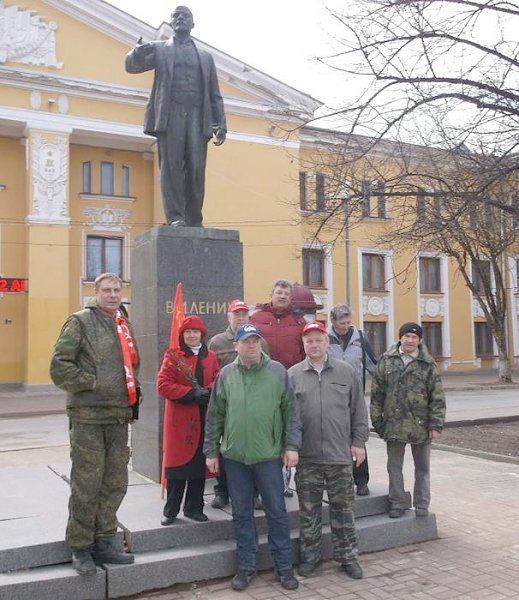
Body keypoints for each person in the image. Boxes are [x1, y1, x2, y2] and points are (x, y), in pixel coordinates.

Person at [49, 273, 139, 575]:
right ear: (96, 292)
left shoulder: (122, 324)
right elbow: (59, 366)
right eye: (107, 290)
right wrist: (92, 382)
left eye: (117, 290)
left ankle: (104, 541)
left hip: (117, 417)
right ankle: (80, 547)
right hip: (88, 416)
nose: (113, 295)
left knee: (114, 484)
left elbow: (131, 365)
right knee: (86, 484)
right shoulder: (80, 322)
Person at [204, 324, 301, 592]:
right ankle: (246, 566)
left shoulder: (277, 372)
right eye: (246, 341)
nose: (251, 346)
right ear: (236, 345)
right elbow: (215, 416)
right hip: (235, 458)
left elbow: (291, 412)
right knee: (242, 514)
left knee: (277, 513)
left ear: (261, 344)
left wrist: (292, 445)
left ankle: (283, 567)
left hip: (269, 456)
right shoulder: (226, 375)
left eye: (255, 341)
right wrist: (211, 450)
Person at [125, 5, 226, 227]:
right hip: (171, 114)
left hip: (198, 116)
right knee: (171, 166)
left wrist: (221, 123)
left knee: (196, 168)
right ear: (171, 23)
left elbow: (215, 94)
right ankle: (176, 217)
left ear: (193, 23)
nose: (180, 18)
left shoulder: (206, 57)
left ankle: (194, 218)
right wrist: (136, 52)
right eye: (176, 16)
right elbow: (133, 66)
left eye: (185, 15)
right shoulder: (161, 49)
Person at [288, 321, 369, 580]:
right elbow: (287, 417)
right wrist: (289, 447)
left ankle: (348, 557)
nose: (313, 345)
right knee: (308, 512)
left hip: (339, 456)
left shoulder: (346, 372)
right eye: (308, 341)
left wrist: (358, 443)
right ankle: (310, 559)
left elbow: (358, 411)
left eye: (318, 340)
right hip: (307, 457)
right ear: (303, 345)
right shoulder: (292, 375)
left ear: (326, 343)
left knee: (343, 510)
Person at [370, 322, 446, 518]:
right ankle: (397, 503)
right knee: (394, 467)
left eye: (414, 337)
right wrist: (377, 421)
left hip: (420, 426)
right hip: (394, 425)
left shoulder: (428, 364)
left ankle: (422, 505)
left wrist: (435, 424)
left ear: (419, 340)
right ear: (400, 338)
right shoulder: (386, 361)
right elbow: (377, 394)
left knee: (422, 468)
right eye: (407, 336)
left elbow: (437, 397)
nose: (410, 340)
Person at [157, 315, 219, 524]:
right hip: (180, 422)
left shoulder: (210, 356)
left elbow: (218, 380)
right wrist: (190, 394)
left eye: (195, 332)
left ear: (202, 334)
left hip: (202, 419)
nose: (192, 335)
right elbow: (163, 384)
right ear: (182, 335)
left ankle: (194, 508)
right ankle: (171, 510)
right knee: (177, 469)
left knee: (197, 467)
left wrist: (208, 392)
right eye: (188, 332)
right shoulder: (173, 356)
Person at [207, 299, 268, 509]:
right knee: (226, 451)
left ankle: (254, 494)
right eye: (237, 314)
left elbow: (266, 370)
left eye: (244, 313)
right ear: (229, 317)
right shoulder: (216, 342)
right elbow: (209, 371)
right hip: (227, 403)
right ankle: (222, 491)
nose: (241, 317)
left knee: (254, 450)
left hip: (255, 403)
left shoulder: (260, 341)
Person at [250, 279, 306, 498]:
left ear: (290, 298)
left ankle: (283, 482)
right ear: (271, 295)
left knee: (286, 432)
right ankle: (257, 484)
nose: (282, 296)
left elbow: (304, 352)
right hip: (262, 383)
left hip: (289, 383)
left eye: (286, 294)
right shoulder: (257, 319)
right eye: (279, 293)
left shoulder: (299, 321)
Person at [328, 304, 377, 496]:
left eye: (348, 322)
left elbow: (373, 364)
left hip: (354, 396)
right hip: (330, 396)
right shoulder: (324, 339)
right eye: (342, 323)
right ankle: (336, 480)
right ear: (333, 321)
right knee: (332, 438)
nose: (346, 326)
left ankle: (361, 480)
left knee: (357, 438)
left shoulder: (359, 339)